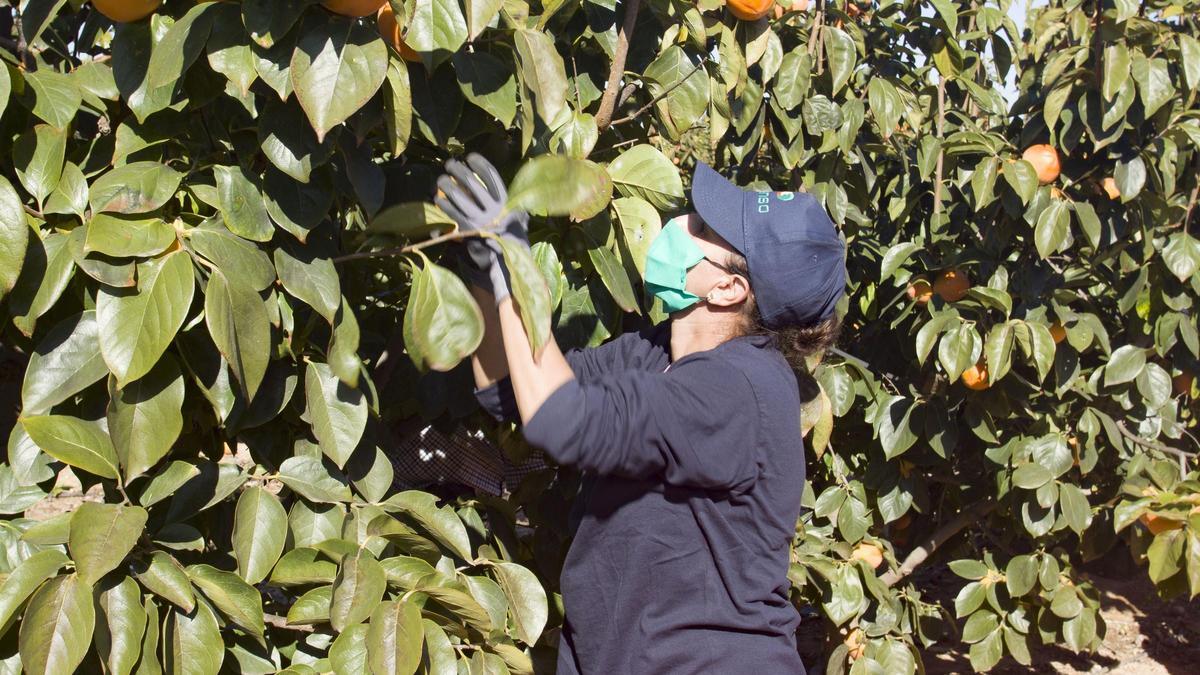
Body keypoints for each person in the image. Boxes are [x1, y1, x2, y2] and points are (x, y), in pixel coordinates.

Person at [435, 154, 845, 674]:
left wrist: (511, 262)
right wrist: (481, 271)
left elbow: (560, 419)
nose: (675, 223)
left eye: (698, 227)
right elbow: (512, 391)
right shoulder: (656, 352)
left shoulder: (741, 389)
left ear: (728, 288)